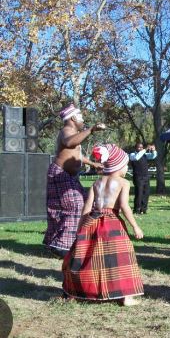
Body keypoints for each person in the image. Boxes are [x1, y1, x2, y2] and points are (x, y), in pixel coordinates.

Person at [62, 144, 144, 306]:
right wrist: (135, 226)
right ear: (118, 165)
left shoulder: (97, 183)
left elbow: (86, 208)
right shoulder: (123, 183)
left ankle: (80, 290)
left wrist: (81, 227)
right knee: (121, 257)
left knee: (89, 256)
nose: (126, 168)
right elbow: (124, 206)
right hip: (112, 223)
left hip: (92, 220)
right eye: (125, 164)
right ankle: (126, 297)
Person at [43, 104, 105, 258]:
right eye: (81, 117)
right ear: (72, 118)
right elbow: (69, 143)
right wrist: (90, 130)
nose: (83, 120)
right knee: (75, 204)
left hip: (69, 176)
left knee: (86, 201)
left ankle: (72, 240)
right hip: (60, 173)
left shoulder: (74, 133)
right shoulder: (66, 131)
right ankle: (61, 246)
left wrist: (92, 163)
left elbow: (75, 153)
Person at [129, 143, 157, 214]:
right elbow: (137, 157)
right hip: (138, 177)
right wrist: (145, 149)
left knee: (146, 193)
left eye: (141, 147)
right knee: (139, 193)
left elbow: (153, 156)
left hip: (146, 176)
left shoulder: (145, 154)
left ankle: (143, 209)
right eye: (139, 147)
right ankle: (136, 209)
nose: (140, 149)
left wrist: (153, 150)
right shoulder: (132, 155)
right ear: (135, 148)